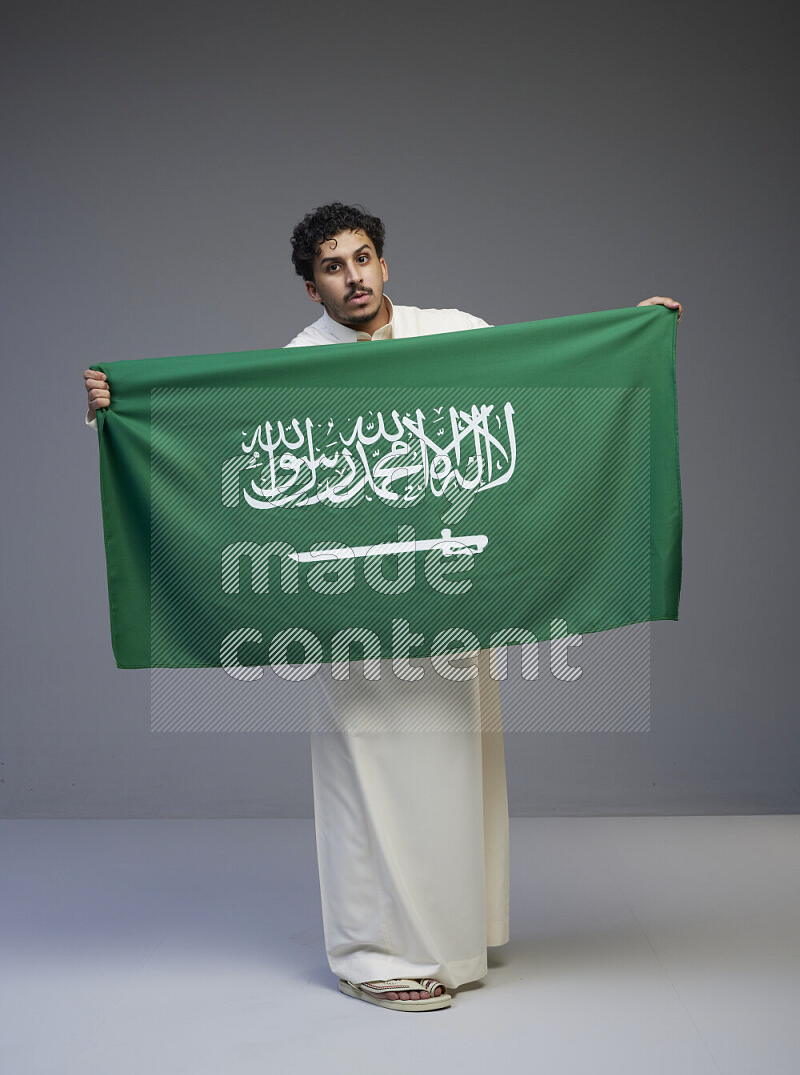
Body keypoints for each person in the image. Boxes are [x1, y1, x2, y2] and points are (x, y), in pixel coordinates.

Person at [84, 202, 682, 1011]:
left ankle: (453, 938)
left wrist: (630, 341)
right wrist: (124, 408)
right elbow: (224, 436)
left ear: (385, 263)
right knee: (367, 776)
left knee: (450, 761)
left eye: (363, 258)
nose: (354, 276)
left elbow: (542, 386)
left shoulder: (451, 330)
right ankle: (373, 953)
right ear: (310, 287)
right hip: (358, 611)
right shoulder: (300, 364)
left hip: (452, 599)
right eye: (333, 267)